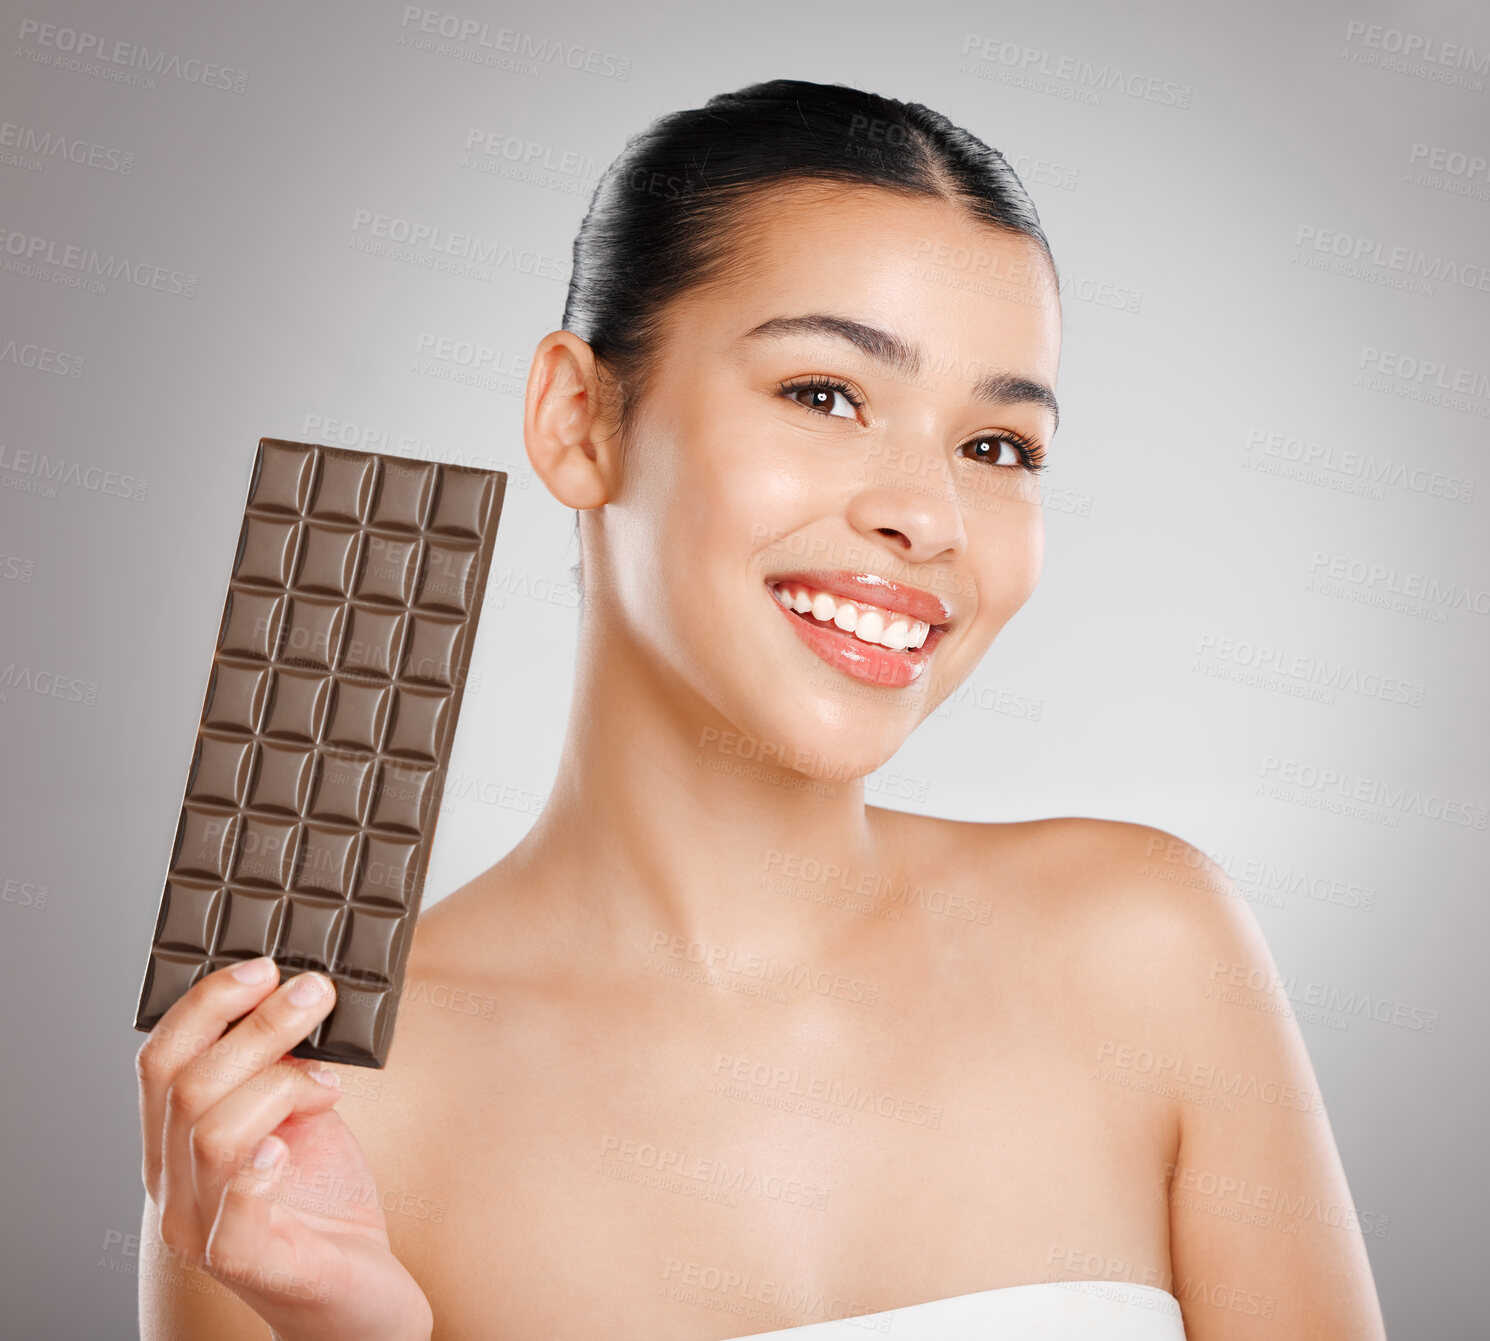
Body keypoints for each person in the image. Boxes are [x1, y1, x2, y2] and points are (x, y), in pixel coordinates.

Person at [135, 78, 1388, 1340]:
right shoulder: (311, 1113)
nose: (928, 515)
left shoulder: (1148, 952)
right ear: (579, 419)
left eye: (996, 447)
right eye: (824, 394)